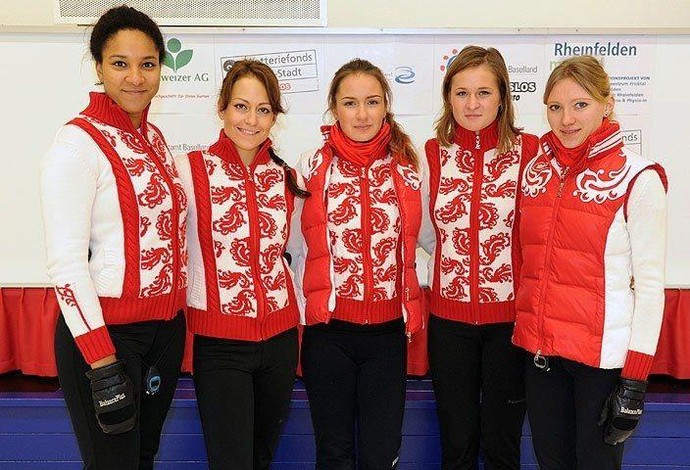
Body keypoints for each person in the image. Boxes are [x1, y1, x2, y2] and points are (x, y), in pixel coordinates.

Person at [40, 6, 187, 469]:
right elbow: (66, 264)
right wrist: (102, 362)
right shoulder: (75, 145)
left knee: (143, 458)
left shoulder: (156, 138)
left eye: (147, 63)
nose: (135, 78)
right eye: (120, 63)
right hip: (104, 340)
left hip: (162, 335)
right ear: (99, 66)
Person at [513, 55, 667, 469]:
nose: (566, 119)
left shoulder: (639, 177)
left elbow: (651, 286)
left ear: (607, 103)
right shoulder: (534, 172)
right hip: (544, 358)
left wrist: (634, 380)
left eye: (580, 104)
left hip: (602, 365)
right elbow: (524, 264)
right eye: (555, 107)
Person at [175, 60, 307, 470]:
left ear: (275, 116)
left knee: (262, 458)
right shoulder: (188, 170)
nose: (251, 120)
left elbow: (298, 254)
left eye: (263, 109)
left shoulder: (288, 178)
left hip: (281, 342)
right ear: (222, 108)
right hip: (220, 345)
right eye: (241, 106)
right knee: (231, 461)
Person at [292, 58, 423, 469]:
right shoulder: (309, 165)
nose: (362, 114)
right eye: (350, 103)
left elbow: (431, 242)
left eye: (371, 102)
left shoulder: (410, 166)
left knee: (381, 455)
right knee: (334, 453)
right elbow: (294, 247)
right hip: (329, 335)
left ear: (386, 105)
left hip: (387, 336)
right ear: (334, 107)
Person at [418, 45, 539, 470]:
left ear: (503, 97)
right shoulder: (432, 154)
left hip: (510, 324)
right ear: (448, 97)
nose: (472, 104)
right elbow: (427, 234)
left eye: (484, 93)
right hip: (449, 324)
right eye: (461, 93)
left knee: (502, 443)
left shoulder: (532, 152)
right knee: (457, 442)